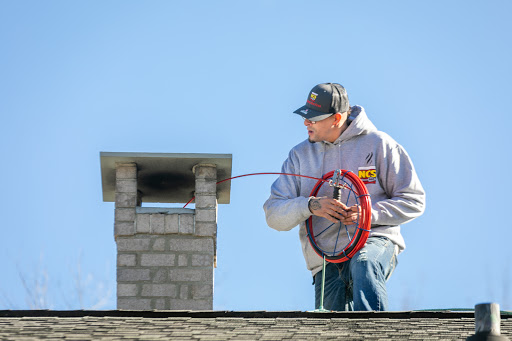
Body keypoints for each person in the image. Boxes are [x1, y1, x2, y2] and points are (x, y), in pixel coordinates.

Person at [263, 83, 426, 311]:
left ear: (336, 118)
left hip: (374, 238)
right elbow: (273, 214)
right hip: (325, 258)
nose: (305, 123)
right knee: (331, 327)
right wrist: (311, 206)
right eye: (306, 116)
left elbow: (413, 200)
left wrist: (368, 214)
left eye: (314, 118)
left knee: (364, 263)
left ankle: (375, 335)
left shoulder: (379, 145)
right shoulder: (299, 156)